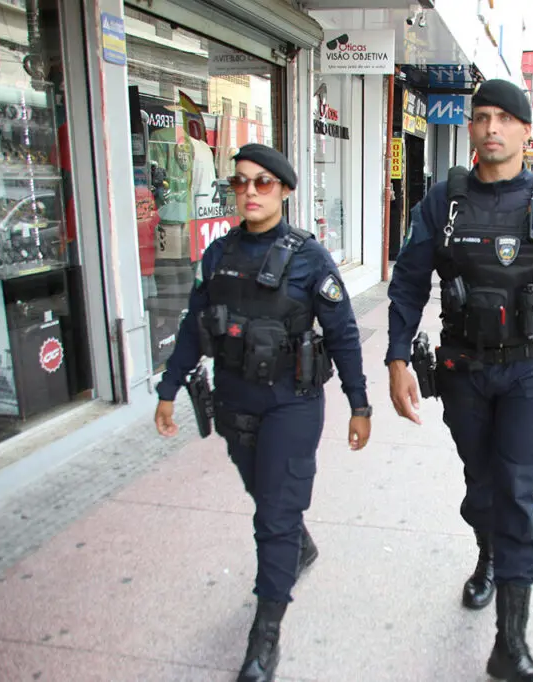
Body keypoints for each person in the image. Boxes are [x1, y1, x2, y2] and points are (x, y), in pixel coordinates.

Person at [385, 80, 533, 682]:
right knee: (483, 484)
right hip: (463, 372)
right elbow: (407, 281)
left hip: (532, 373)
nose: (490, 128)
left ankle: (511, 645)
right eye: (481, 117)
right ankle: (487, 553)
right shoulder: (444, 201)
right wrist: (397, 357)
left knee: (513, 491)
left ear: (525, 132)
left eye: (504, 119)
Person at [153, 143, 372, 682]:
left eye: (263, 183)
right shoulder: (218, 254)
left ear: (285, 191)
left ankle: (264, 635)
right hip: (234, 401)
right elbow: (192, 326)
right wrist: (168, 387)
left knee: (271, 513)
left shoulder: (309, 257)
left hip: (291, 403)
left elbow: (343, 333)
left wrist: (359, 403)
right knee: (265, 496)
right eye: (240, 183)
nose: (249, 192)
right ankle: (297, 543)